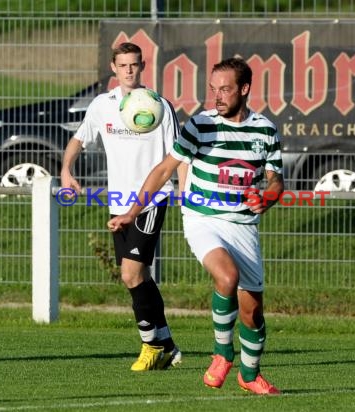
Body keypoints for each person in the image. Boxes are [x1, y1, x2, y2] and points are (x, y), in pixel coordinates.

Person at [108, 57, 284, 394]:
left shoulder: (265, 129)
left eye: (225, 89)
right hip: (202, 218)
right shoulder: (201, 125)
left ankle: (249, 376)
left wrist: (269, 197)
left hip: (243, 226)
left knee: (253, 313)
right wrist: (132, 212)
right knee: (226, 277)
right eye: (213, 89)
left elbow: (276, 180)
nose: (217, 96)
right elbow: (163, 170)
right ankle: (221, 353)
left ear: (244, 89)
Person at [61, 42, 187, 371]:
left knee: (130, 274)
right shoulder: (103, 106)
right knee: (138, 276)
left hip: (151, 200)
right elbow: (78, 139)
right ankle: (169, 346)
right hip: (118, 204)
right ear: (113, 69)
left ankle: (150, 346)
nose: (129, 70)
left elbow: (179, 155)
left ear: (142, 66)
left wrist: (185, 194)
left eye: (135, 64)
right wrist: (65, 170)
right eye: (123, 65)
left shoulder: (159, 106)